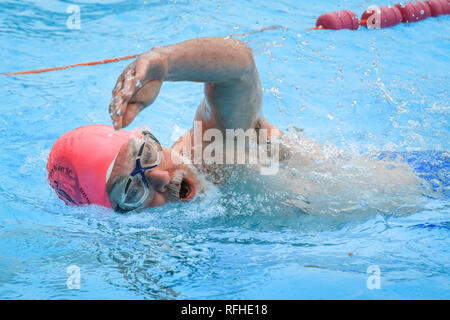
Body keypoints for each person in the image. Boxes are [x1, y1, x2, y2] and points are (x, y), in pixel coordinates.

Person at [47, 36, 422, 213]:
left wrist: (164, 62)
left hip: (425, 193)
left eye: (146, 154)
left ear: (148, 136)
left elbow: (239, 67)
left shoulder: (213, 150)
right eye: (132, 191)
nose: (162, 177)